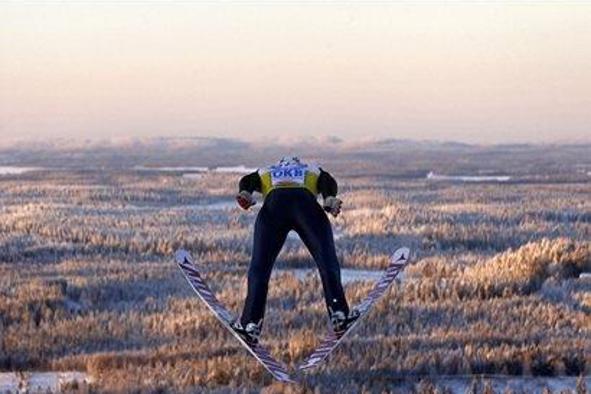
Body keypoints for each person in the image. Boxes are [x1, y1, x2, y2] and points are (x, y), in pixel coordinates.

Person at [231, 156, 359, 344]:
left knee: (260, 267)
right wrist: (329, 197)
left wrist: (245, 193)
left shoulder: (267, 170)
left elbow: (248, 180)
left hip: (273, 209)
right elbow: (327, 181)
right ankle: (338, 312)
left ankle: (251, 324)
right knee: (327, 261)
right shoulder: (311, 169)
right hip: (306, 206)